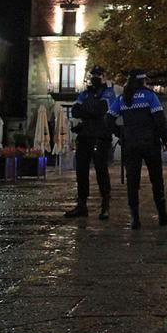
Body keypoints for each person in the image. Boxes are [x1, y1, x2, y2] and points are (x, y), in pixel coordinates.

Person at [109, 69, 167, 229]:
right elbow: (160, 119)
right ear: (143, 81)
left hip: (130, 144)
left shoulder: (123, 98)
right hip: (150, 143)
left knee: (132, 181)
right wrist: (164, 138)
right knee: (156, 179)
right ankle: (162, 215)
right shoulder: (150, 96)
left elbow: (108, 119)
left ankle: (135, 219)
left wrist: (121, 133)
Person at [65, 65, 117, 219]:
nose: (95, 77)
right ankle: (81, 205)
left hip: (100, 137)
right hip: (85, 136)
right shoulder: (85, 93)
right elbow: (75, 111)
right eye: (93, 74)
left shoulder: (109, 92)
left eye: (98, 75)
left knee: (101, 171)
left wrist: (87, 110)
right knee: (81, 171)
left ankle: (105, 206)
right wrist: (92, 110)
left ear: (104, 77)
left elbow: (102, 109)